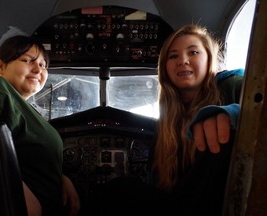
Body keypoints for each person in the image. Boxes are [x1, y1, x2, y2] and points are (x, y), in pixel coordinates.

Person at [80, 24, 243, 216]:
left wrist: (233, 113)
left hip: (219, 205)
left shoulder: (232, 85)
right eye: (173, 56)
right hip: (182, 203)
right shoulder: (169, 120)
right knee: (120, 188)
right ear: (165, 68)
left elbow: (259, 104)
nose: (183, 60)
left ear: (209, 59)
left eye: (193, 52)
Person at [0, 35, 80, 216]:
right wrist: (13, 189)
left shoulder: (26, 109)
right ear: (1, 66)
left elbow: (27, 158)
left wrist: (60, 177)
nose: (37, 69)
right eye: (27, 61)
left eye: (43, 64)